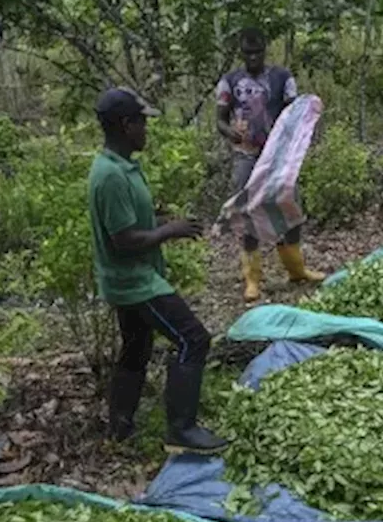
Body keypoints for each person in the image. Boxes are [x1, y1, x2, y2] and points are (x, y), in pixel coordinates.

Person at [89, 87, 228, 454]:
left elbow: (132, 221)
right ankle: (181, 431)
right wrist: (169, 231)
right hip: (134, 282)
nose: (145, 131)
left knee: (136, 347)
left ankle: (119, 429)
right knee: (193, 339)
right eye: (141, 123)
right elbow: (124, 239)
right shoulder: (110, 176)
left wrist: (166, 222)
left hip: (132, 279)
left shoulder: (121, 167)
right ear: (124, 125)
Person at [215, 27, 324, 302]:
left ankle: (296, 269)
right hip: (245, 155)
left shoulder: (282, 78)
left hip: (278, 156)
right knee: (247, 208)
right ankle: (252, 278)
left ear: (265, 50)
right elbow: (219, 119)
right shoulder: (230, 81)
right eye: (247, 53)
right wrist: (231, 132)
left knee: (290, 205)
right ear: (241, 53)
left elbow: (293, 112)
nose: (252, 57)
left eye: (257, 52)